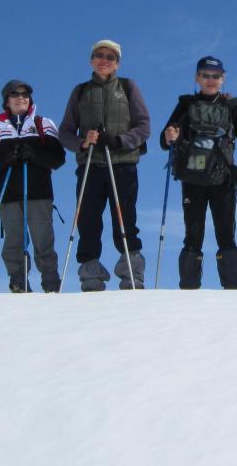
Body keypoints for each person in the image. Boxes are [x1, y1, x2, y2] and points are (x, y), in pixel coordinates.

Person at [160, 56, 237, 289]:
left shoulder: (232, 107)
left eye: (215, 76)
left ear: (223, 78)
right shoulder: (186, 105)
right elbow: (164, 139)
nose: (210, 80)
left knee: (224, 234)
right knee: (194, 234)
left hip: (219, 178)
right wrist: (169, 137)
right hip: (197, 178)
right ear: (197, 77)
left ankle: (229, 292)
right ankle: (200, 290)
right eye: (205, 75)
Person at [58, 40, 151, 291]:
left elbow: (143, 126)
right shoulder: (80, 91)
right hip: (91, 165)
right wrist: (82, 143)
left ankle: (132, 272)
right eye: (99, 55)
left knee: (125, 220)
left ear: (117, 63)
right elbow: (65, 131)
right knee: (88, 220)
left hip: (123, 164)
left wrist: (120, 140)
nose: (104, 60)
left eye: (110, 57)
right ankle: (90, 273)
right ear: (91, 60)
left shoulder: (128, 87)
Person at [0, 79, 66, 293]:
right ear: (6, 101)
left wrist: (34, 155)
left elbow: (58, 158)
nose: (21, 97)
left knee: (43, 239)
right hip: (8, 194)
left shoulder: (42, 123)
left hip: (38, 192)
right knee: (13, 241)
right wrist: (5, 159)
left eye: (25, 94)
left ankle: (50, 282)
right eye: (15, 94)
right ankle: (18, 281)